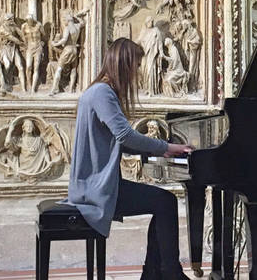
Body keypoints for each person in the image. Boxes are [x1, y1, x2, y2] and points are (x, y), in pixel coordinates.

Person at [63, 38, 193, 280]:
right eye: (136, 64)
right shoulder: (103, 92)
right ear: (124, 64)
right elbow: (125, 135)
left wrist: (158, 151)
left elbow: (119, 143)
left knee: (162, 202)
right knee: (165, 202)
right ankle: (169, 273)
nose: (137, 71)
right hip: (96, 190)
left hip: (89, 186)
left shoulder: (96, 91)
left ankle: (156, 274)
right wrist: (167, 146)